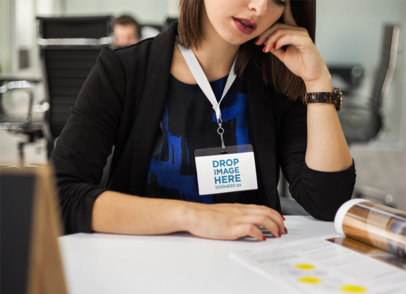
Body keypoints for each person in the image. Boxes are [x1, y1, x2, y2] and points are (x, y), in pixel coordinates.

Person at [51, 0, 356, 241]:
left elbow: (327, 202)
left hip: (250, 269)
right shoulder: (122, 70)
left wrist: (317, 83)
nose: (260, 7)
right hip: (143, 267)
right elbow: (59, 197)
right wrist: (194, 217)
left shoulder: (276, 78)